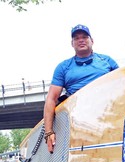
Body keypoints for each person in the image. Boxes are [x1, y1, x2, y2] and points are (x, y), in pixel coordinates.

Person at [44, 24, 119, 153]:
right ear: (72, 43)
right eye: (76, 38)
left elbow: (123, 84)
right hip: (79, 118)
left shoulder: (107, 61)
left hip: (108, 112)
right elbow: (51, 99)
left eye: (85, 37)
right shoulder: (63, 67)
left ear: (92, 41)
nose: (81, 40)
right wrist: (49, 132)